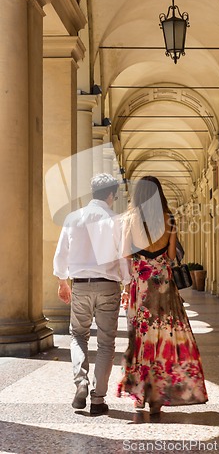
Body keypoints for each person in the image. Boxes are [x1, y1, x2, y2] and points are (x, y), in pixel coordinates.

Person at [117, 176, 208, 414]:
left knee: (140, 340)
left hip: (142, 288)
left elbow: (126, 254)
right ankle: (159, 395)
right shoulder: (169, 219)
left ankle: (139, 395)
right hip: (165, 289)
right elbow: (170, 255)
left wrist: (135, 270)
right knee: (164, 338)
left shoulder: (130, 219)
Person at [53, 173, 131, 416]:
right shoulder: (116, 220)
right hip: (108, 286)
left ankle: (81, 382)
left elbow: (61, 252)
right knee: (107, 342)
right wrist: (127, 284)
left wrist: (62, 281)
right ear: (111, 195)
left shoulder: (73, 218)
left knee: (78, 335)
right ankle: (98, 399)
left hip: (81, 285)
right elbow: (122, 256)